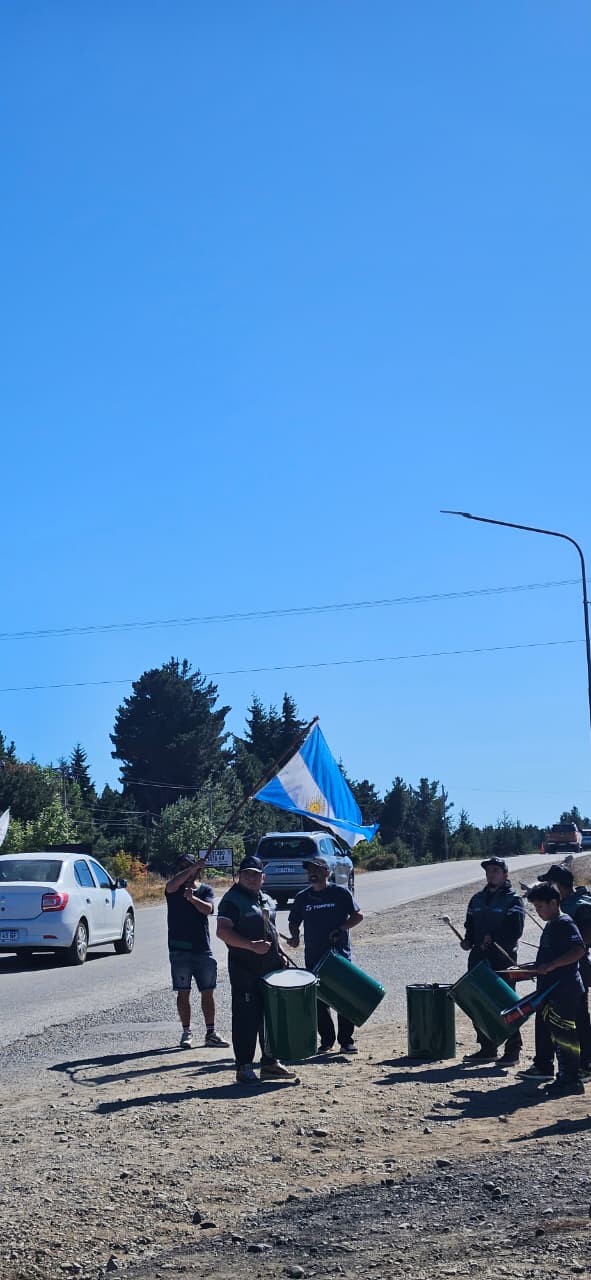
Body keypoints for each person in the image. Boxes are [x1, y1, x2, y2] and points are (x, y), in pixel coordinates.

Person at [217, 855, 297, 1086]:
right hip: (245, 970)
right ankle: (243, 1066)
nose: (251, 878)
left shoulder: (267, 900)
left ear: (263, 877)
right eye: (247, 874)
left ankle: (270, 1063)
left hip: (270, 969)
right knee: (246, 1019)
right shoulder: (232, 900)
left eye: (255, 874)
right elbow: (223, 932)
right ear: (239, 876)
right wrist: (251, 946)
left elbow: (271, 929)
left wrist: (280, 952)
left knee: (272, 1016)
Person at [518, 865, 591, 1082]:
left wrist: (552, 965)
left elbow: (578, 949)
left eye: (540, 906)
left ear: (554, 901)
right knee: (555, 1031)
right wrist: (532, 967)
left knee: (567, 1033)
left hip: (565, 989)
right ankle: (556, 1071)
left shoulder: (565, 921)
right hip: (552, 988)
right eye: (536, 907)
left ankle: (571, 1078)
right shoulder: (553, 923)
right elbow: (551, 955)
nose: (538, 912)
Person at [287, 854, 363, 1054]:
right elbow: (293, 922)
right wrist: (294, 937)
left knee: (344, 998)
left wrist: (342, 928)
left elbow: (358, 916)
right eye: (310, 870)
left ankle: (346, 1041)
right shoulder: (302, 897)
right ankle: (327, 1041)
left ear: (326, 872)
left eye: (317, 870)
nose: (312, 874)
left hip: (339, 956)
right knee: (320, 1000)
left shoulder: (340, 893)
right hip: (314, 956)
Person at [461, 856, 525, 1065]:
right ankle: (487, 1047)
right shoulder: (477, 899)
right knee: (478, 1002)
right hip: (478, 957)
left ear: (505, 875)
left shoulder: (514, 899)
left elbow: (516, 930)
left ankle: (513, 1049)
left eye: (496, 871)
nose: (491, 874)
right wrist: (468, 940)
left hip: (503, 959)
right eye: (489, 871)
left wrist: (495, 938)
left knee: (506, 1003)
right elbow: (470, 925)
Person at [165, 852, 229, 1050]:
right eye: (182, 866)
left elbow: (209, 909)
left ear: (198, 869)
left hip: (202, 948)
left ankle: (211, 1032)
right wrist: (190, 870)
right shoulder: (173, 888)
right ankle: (187, 1032)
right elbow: (172, 885)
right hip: (179, 950)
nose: (186, 870)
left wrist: (192, 899)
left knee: (207, 992)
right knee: (183, 992)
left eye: (190, 866)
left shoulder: (205, 890)